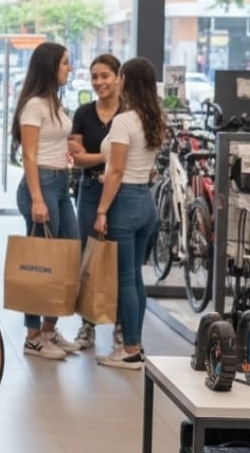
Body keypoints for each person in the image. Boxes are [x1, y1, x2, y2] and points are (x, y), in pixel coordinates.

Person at [10, 41, 80, 360]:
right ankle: (33, 336)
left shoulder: (55, 102)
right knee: (39, 264)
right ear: (51, 67)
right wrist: (38, 199)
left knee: (67, 255)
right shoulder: (34, 105)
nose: (69, 68)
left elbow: (58, 143)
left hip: (61, 183)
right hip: (41, 185)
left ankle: (50, 330)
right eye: (66, 63)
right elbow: (30, 154)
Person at [94, 57, 165, 370]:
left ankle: (130, 348)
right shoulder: (153, 119)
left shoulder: (124, 122)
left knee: (125, 279)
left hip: (124, 202)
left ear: (126, 81)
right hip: (146, 204)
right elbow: (144, 168)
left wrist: (101, 210)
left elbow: (117, 170)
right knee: (135, 276)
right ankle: (135, 344)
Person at [67, 53, 122, 350]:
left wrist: (98, 159)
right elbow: (76, 159)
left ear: (117, 77)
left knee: (120, 259)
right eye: (95, 77)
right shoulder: (84, 113)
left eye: (105, 76)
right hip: (89, 191)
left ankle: (121, 327)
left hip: (122, 192)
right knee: (88, 258)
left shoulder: (129, 112)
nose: (99, 82)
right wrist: (110, 156)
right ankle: (87, 326)